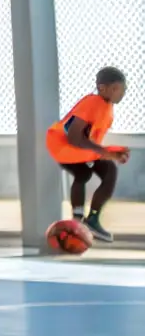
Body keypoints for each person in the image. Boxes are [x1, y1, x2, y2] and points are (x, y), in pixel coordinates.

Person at [46, 67, 130, 242]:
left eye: (123, 89)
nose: (120, 93)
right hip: (62, 145)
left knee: (92, 172)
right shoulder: (93, 102)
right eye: (116, 89)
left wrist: (111, 152)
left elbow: (89, 138)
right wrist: (105, 153)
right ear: (102, 88)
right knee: (97, 171)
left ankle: (85, 219)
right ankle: (85, 219)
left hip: (75, 148)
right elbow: (74, 137)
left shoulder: (106, 107)